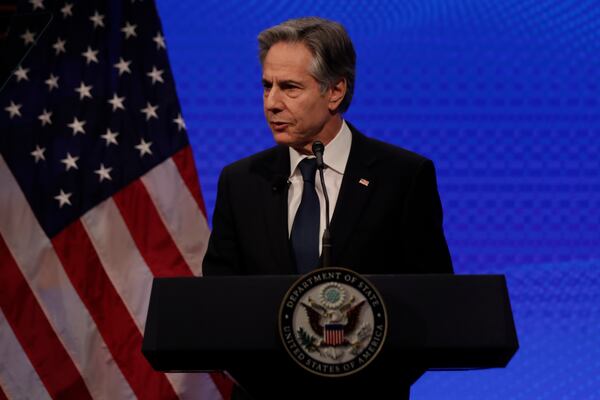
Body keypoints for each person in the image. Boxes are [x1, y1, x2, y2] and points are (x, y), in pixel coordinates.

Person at [202, 16, 453, 399]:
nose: (272, 103)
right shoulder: (240, 182)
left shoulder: (402, 177)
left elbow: (430, 299)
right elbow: (219, 300)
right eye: (266, 86)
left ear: (335, 91)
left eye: (289, 88)